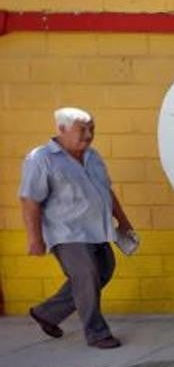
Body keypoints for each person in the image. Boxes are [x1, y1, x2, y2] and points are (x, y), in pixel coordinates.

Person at [20, 107, 135, 349]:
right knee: (86, 275)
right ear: (61, 129)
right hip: (67, 233)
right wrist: (35, 238)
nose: (89, 134)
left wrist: (122, 221)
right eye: (82, 129)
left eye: (91, 128)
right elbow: (30, 200)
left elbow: (107, 191)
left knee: (103, 271)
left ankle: (47, 313)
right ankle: (97, 333)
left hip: (97, 230)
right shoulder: (41, 158)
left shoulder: (93, 156)